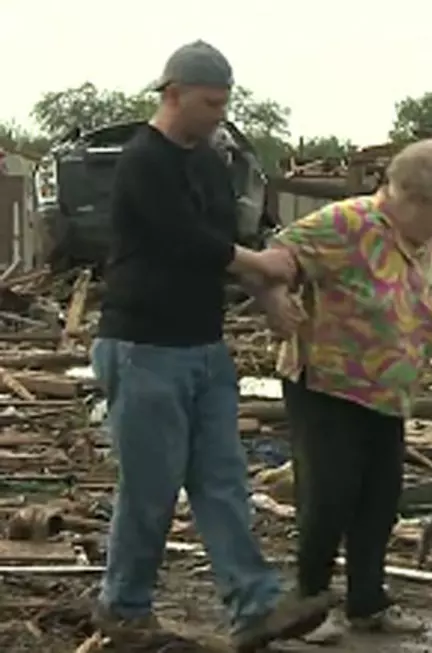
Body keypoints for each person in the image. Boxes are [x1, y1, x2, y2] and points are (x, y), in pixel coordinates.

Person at [91, 40, 330, 652]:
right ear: (173, 94)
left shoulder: (210, 163)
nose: (220, 114)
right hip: (144, 345)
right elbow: (190, 243)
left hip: (203, 346)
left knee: (223, 480)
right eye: (210, 103)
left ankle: (255, 606)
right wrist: (270, 268)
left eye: (225, 103)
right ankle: (124, 608)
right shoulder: (142, 161)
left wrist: (272, 296)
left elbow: (225, 243)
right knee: (150, 485)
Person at [256, 138, 432, 645]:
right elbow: (275, 258)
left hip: (387, 392)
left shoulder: (421, 239)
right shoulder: (347, 224)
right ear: (417, 197)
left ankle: (366, 603)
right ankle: (309, 603)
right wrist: (275, 303)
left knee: (379, 499)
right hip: (330, 384)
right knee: (329, 495)